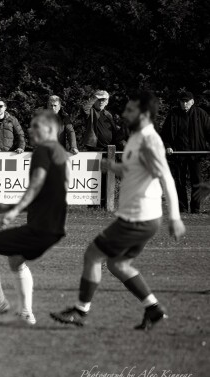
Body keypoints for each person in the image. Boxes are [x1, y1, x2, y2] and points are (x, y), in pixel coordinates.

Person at [51, 91, 186, 331]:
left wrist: (174, 216)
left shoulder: (149, 141)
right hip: (141, 217)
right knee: (118, 264)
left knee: (93, 254)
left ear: (143, 114)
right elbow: (136, 170)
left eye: (130, 109)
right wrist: (113, 166)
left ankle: (81, 311)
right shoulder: (136, 137)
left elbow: (166, 178)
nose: (124, 113)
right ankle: (153, 308)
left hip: (139, 216)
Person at [0, 110, 69, 325]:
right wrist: (12, 206)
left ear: (50, 129)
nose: (31, 130)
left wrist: (13, 211)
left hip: (40, 228)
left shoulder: (43, 150)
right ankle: (25, 313)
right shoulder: (61, 153)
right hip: (54, 229)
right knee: (16, 260)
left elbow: (36, 185)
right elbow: (50, 195)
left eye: (36, 126)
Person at [160, 91, 210, 214]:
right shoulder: (173, 115)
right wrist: (167, 146)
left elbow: (209, 131)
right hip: (178, 154)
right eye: (182, 101)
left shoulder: (201, 114)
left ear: (192, 101)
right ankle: (182, 208)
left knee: (197, 182)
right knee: (180, 182)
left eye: (187, 101)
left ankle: (195, 209)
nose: (184, 103)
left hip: (196, 154)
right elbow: (164, 134)